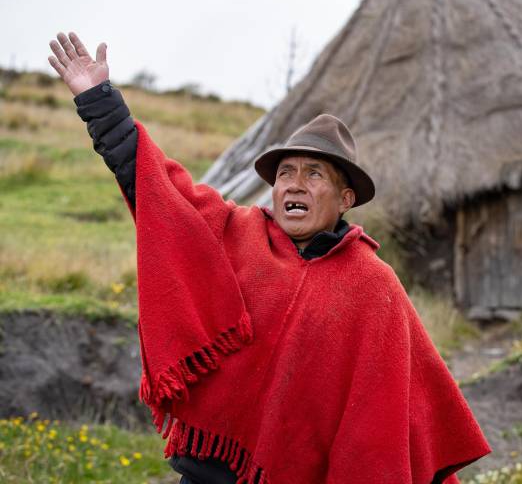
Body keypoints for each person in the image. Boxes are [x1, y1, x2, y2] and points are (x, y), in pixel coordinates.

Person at [48, 31, 492, 484]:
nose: (294, 185)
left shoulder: (373, 284)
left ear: (345, 198)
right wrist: (99, 102)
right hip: (207, 472)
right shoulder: (235, 232)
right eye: (285, 173)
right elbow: (160, 191)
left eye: (313, 174)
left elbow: (401, 410)